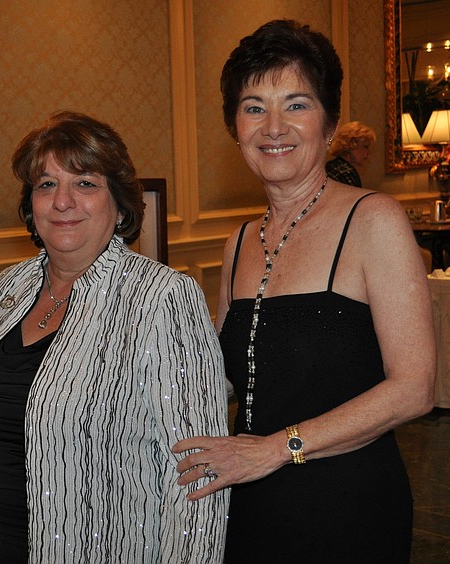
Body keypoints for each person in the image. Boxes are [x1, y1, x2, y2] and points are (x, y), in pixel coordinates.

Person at [172, 20, 435, 562]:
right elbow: (231, 378)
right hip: (250, 501)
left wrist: (275, 449)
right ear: (234, 128)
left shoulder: (373, 220)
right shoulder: (239, 242)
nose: (273, 127)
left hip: (346, 505)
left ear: (330, 123)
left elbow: (414, 388)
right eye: (253, 108)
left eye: (296, 104)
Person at [0, 111, 229, 563]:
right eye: (46, 185)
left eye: (85, 183)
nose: (62, 201)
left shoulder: (161, 297)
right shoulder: (7, 290)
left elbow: (199, 470)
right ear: (31, 204)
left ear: (120, 205)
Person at [325, 120, 375, 187]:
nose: (369, 152)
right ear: (351, 145)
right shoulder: (344, 173)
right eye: (366, 146)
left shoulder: (333, 167)